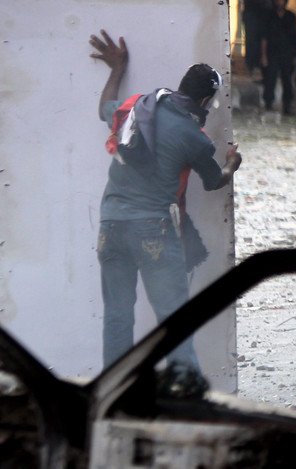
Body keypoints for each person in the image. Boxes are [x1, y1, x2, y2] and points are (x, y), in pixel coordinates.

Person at [89, 30, 242, 370]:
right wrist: (233, 163)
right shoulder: (195, 138)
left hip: (110, 225)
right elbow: (214, 181)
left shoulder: (137, 107)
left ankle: (114, 393)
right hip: (153, 230)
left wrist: (118, 69)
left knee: (116, 317)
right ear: (206, 101)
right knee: (174, 321)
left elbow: (104, 109)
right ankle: (185, 390)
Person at [261, 0, 296, 114]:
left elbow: (295, 37)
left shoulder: (291, 16)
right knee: (270, 79)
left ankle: (287, 106)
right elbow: (264, 37)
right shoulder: (268, 16)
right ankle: (268, 104)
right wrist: (263, 56)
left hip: (287, 54)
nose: (279, 1)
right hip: (272, 53)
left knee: (287, 81)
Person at [240, 0, 273, 75]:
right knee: (251, 41)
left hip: (264, 14)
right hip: (251, 14)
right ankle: (251, 66)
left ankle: (263, 66)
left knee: (263, 40)